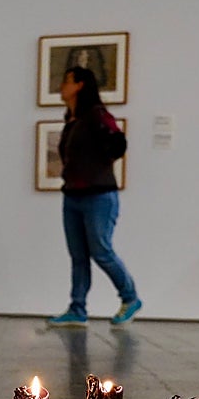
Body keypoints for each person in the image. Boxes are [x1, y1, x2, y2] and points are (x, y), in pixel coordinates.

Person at [47, 65, 141, 327]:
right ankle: (77, 309)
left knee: (101, 250)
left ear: (80, 85)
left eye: (66, 81)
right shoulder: (72, 120)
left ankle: (130, 297)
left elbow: (118, 143)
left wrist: (97, 166)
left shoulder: (97, 115)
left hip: (99, 196)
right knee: (78, 255)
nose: (61, 88)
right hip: (73, 197)